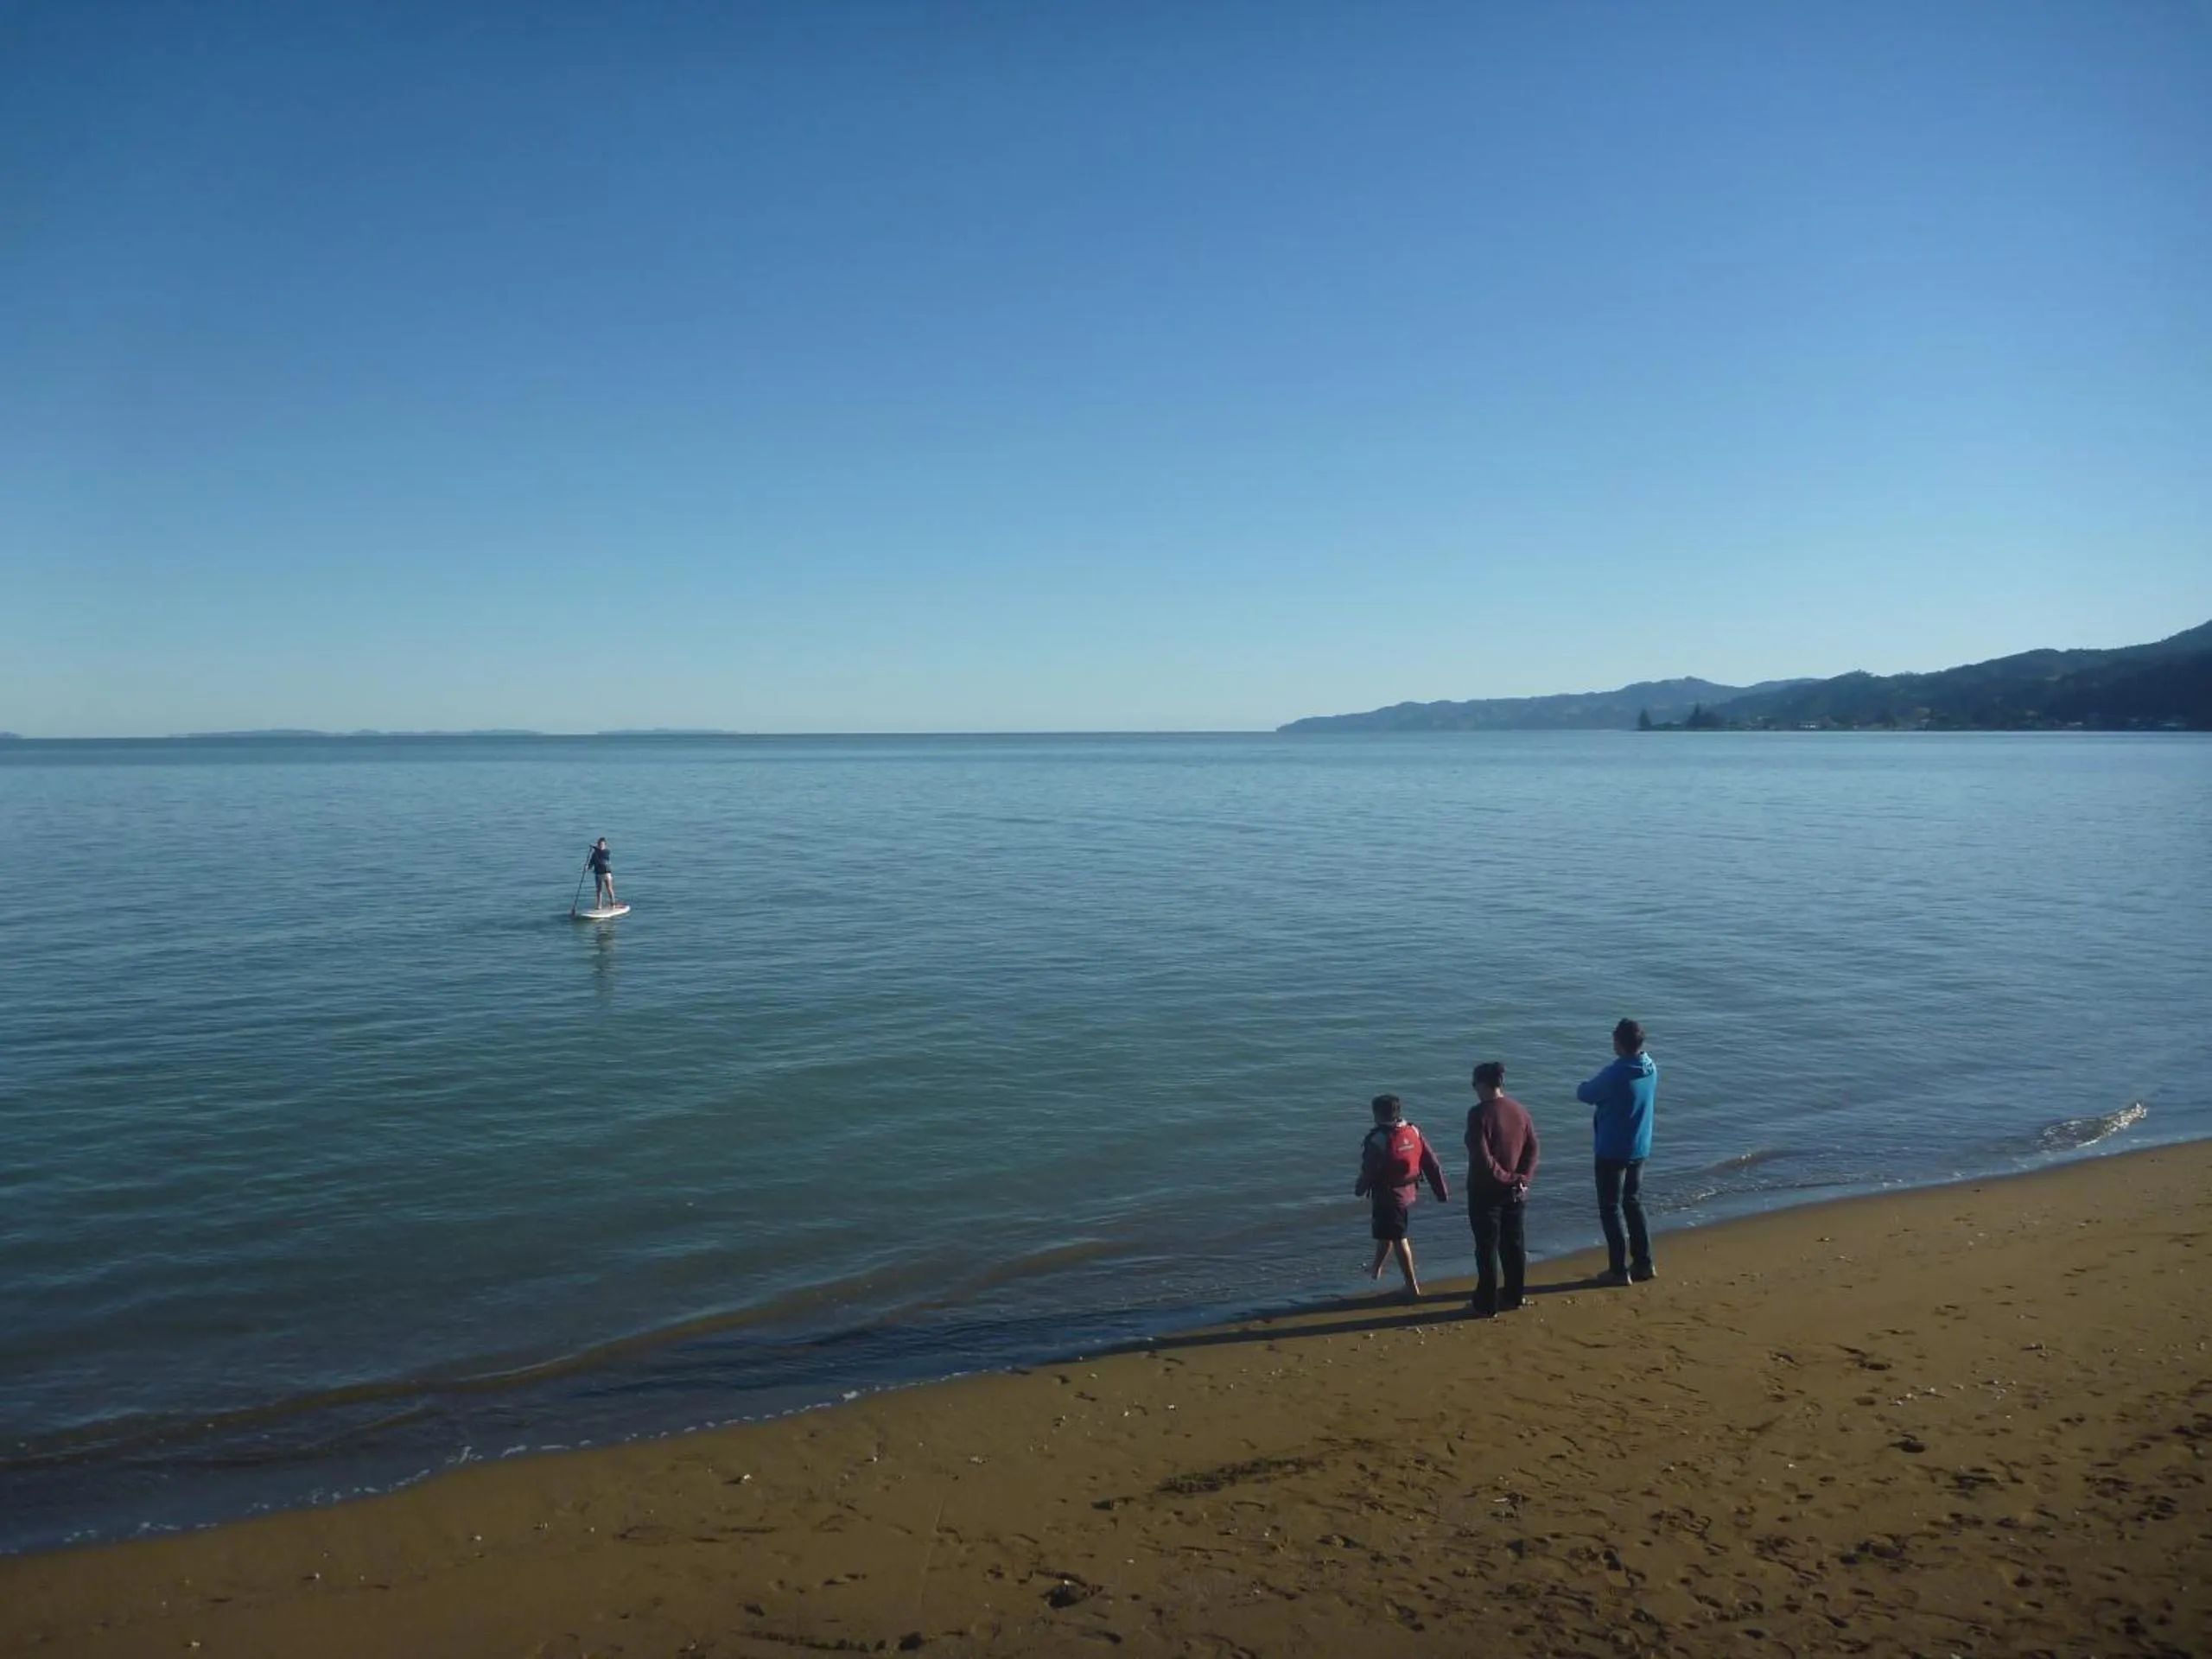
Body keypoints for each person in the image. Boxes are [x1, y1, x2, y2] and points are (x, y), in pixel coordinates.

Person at [1577, 1018, 1658, 1285]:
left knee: (1610, 1208)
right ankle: (1644, 1263)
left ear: (1620, 1043)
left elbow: (1586, 1094)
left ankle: (1618, 1269)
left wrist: (1584, 1084)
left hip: (1612, 1149)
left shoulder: (1616, 1074)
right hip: (1640, 1147)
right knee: (1633, 1203)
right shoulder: (1650, 1067)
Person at [1353, 1093, 1449, 1299]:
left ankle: (1411, 1286)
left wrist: (1359, 1189)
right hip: (1408, 1192)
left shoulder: (1378, 1139)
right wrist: (1441, 1192)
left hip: (1388, 1196)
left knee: (1398, 1237)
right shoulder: (1413, 1130)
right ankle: (1375, 1271)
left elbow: (1369, 1170)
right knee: (1387, 1232)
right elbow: (1431, 1163)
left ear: (1377, 1114)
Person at [1464, 1060, 1539, 1318]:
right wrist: (1523, 1178)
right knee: (1514, 1244)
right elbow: (1532, 1148)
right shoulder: (1520, 1110)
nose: (1474, 1089)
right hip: (1517, 1191)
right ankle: (1514, 1295)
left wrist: (1506, 1178)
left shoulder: (1478, 1114)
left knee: (1486, 1247)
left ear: (1483, 1084)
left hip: (1486, 1191)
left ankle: (1485, 1303)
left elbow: (1483, 1159)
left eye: (1474, 1084)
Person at [588, 837, 615, 909]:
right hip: (598, 874)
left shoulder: (606, 851)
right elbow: (592, 862)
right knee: (599, 890)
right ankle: (599, 906)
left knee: (609, 889)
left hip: (606, 873)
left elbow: (601, 852)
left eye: (602, 844)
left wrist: (594, 847)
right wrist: (588, 867)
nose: (601, 846)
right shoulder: (594, 853)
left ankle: (613, 904)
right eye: (599, 844)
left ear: (605, 845)